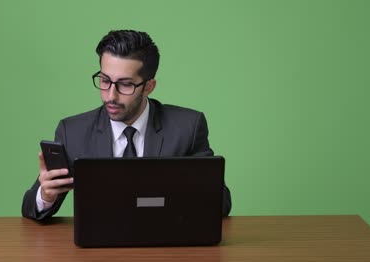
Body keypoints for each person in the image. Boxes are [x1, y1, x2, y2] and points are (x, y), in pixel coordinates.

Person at [22, 30, 232, 220]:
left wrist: (184, 182)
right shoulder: (73, 132)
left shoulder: (188, 127)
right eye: (105, 80)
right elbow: (30, 208)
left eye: (125, 84)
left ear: (149, 86)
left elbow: (222, 204)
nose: (110, 96)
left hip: (166, 245)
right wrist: (46, 195)